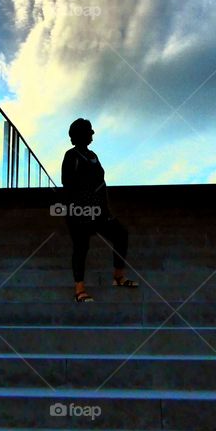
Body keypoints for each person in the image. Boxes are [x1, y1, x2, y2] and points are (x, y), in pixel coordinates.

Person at [61, 117, 138, 302]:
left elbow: (101, 183)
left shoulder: (93, 155)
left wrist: (104, 207)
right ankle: (79, 289)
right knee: (81, 246)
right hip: (79, 211)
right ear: (80, 134)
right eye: (89, 130)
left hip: (99, 210)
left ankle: (118, 276)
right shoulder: (71, 155)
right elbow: (68, 184)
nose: (92, 133)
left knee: (120, 234)